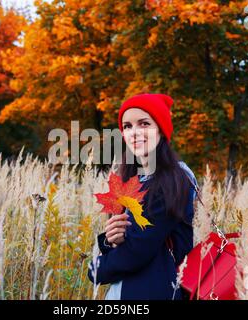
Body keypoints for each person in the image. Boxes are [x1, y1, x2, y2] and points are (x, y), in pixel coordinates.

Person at [87, 93, 198, 300]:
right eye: (127, 126)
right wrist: (109, 241)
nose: (134, 132)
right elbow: (125, 243)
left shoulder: (174, 179)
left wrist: (95, 270)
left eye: (144, 123)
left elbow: (136, 252)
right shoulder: (134, 180)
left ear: (161, 130)